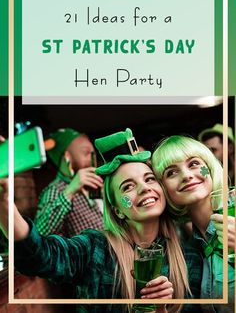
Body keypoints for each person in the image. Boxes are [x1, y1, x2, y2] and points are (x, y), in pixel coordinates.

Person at [0, 129, 203, 313]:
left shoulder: (189, 258)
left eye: (149, 179)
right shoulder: (95, 249)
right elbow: (41, 255)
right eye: (127, 187)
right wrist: (5, 205)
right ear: (117, 210)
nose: (144, 188)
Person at [152, 135, 235, 313]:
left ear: (210, 167)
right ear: (163, 188)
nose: (187, 176)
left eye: (194, 164)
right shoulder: (188, 250)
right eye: (171, 172)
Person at [34, 128, 103, 237]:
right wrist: (69, 192)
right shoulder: (55, 190)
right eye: (86, 153)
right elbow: (39, 236)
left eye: (93, 153)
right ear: (67, 157)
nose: (92, 159)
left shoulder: (91, 185)